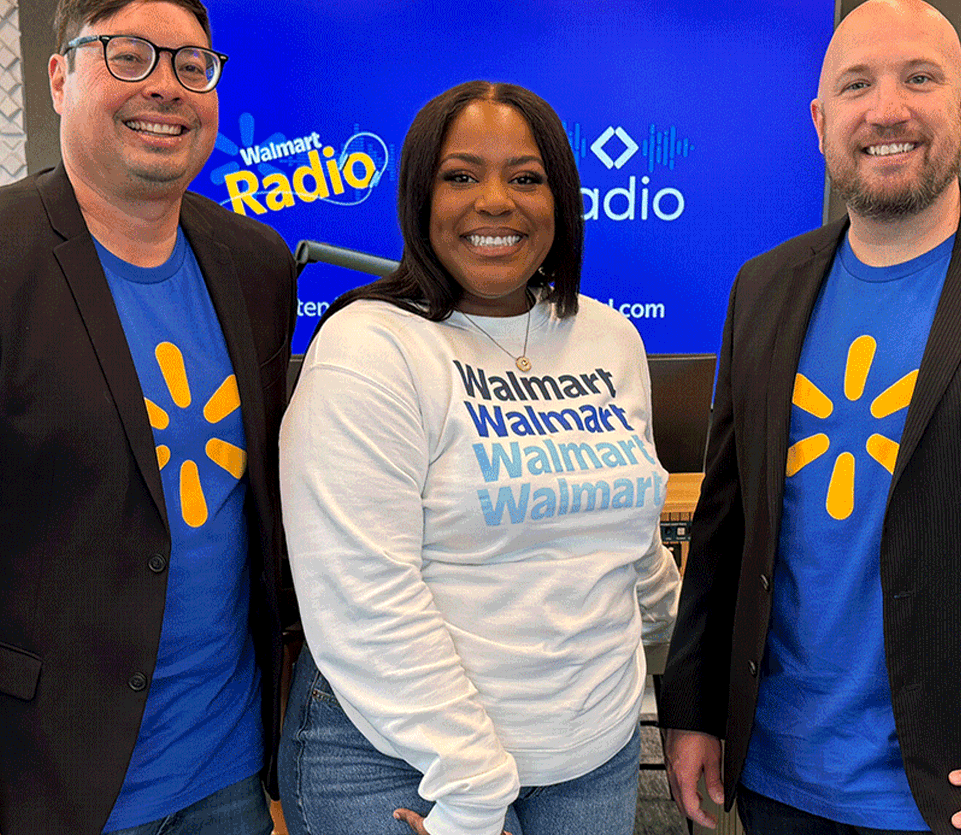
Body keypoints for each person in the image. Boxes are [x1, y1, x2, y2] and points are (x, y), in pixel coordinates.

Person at [278, 80, 680, 835]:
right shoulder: (370, 345)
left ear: (560, 199)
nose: (495, 201)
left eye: (526, 178)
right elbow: (362, 594)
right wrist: (470, 785)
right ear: (418, 199)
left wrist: (697, 665)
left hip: (591, 757)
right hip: (404, 761)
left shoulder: (609, 337)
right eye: (460, 176)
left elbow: (630, 543)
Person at [658, 0, 961, 835]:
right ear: (820, 119)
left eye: (919, 78)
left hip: (954, 793)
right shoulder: (765, 287)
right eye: (857, 85)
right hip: (780, 780)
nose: (887, 109)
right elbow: (726, 522)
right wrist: (694, 709)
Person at [0, 0, 296, 835]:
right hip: (50, 776)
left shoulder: (257, 264)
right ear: (60, 78)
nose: (165, 87)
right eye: (128, 56)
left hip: (229, 772)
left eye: (191, 66)